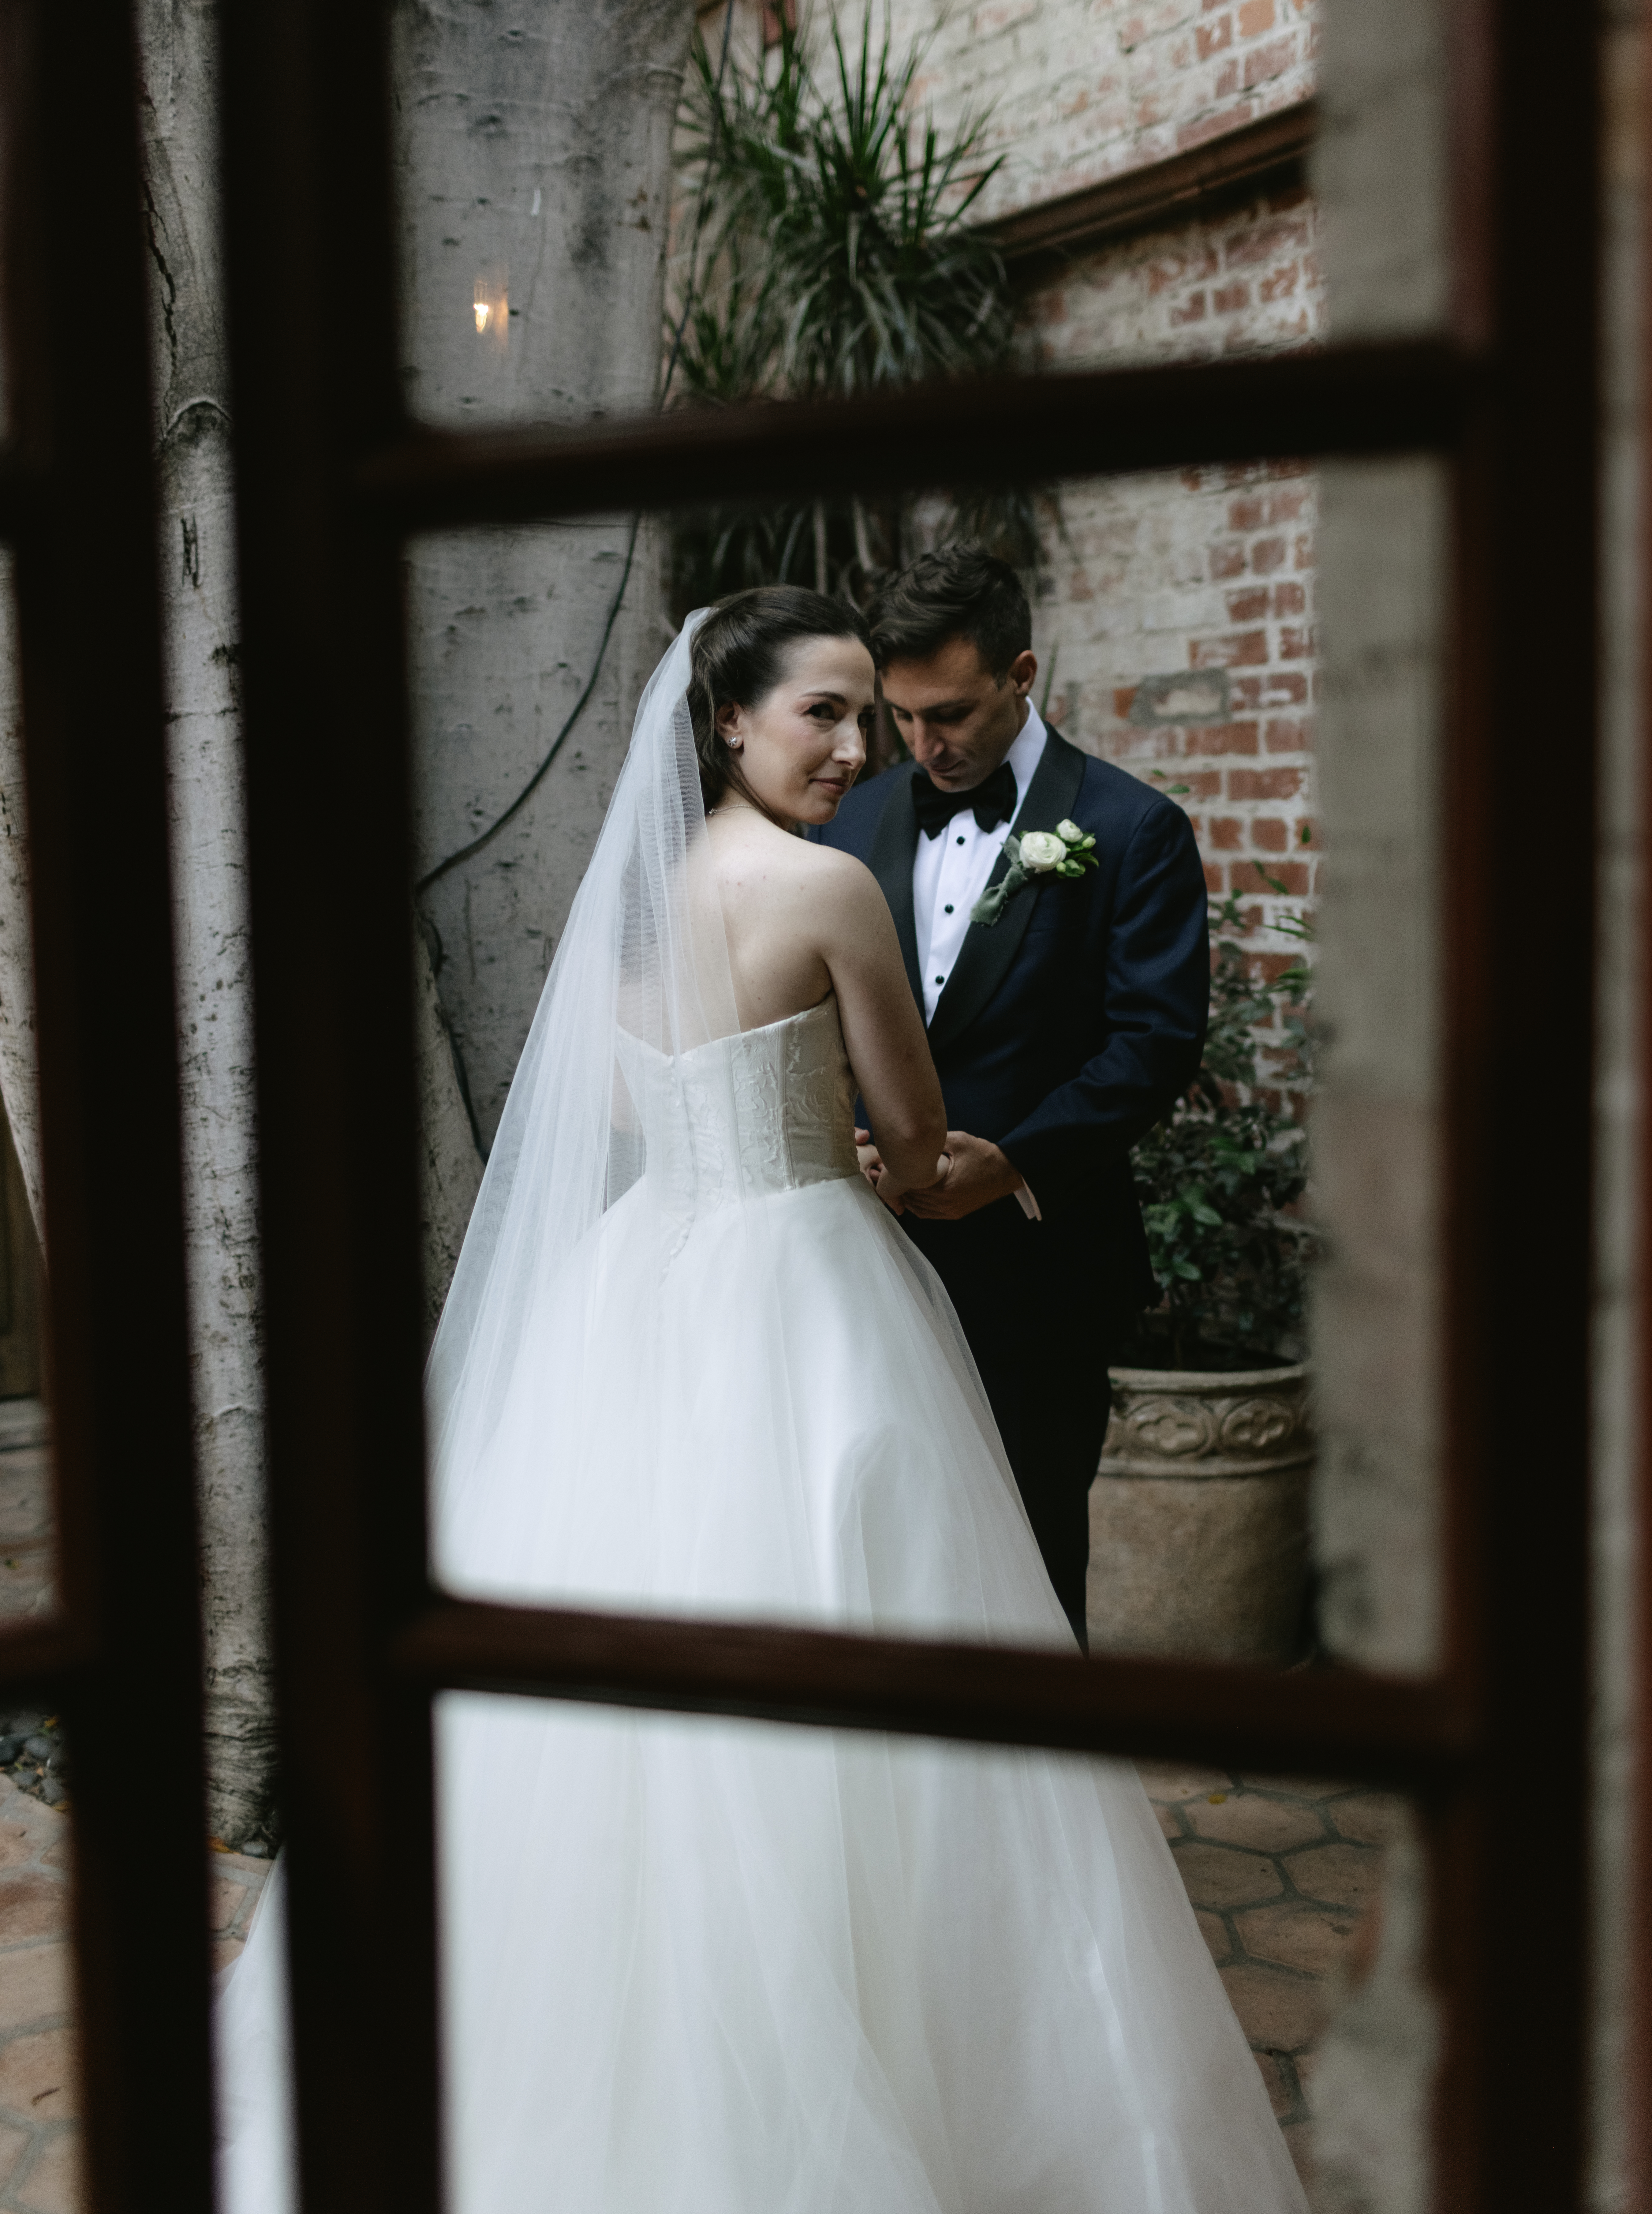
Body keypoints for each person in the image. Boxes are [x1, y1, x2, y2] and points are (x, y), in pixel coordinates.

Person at [215, 589, 1302, 2214]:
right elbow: (921, 1142)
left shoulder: (631, 899)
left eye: (872, 717)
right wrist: (885, 1166)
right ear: (729, 720)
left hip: (645, 1287)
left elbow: (603, 1109)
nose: (862, 749)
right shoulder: (830, 887)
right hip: (806, 1287)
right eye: (827, 716)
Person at [812, 547, 1208, 1644]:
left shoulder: (1134, 831)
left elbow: (1154, 1043)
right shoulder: (851, 822)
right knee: (884, 1555)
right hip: (868, 1263)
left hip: (1042, 1272)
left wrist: (1016, 1159)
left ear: (1022, 674)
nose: (923, 745)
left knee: (1031, 1562)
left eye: (950, 714)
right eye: (900, 717)